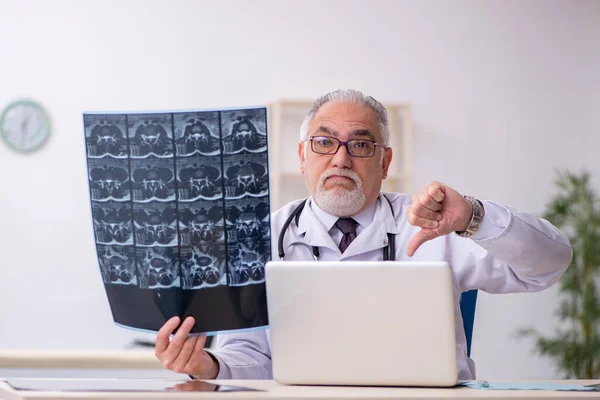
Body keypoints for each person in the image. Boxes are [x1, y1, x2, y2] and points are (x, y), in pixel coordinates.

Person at [154, 89, 572, 380]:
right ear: (302, 156)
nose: (341, 159)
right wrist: (210, 365)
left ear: (385, 161)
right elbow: (250, 356)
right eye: (323, 142)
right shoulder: (257, 236)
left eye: (360, 145)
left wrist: (474, 217)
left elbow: (549, 266)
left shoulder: (435, 223)